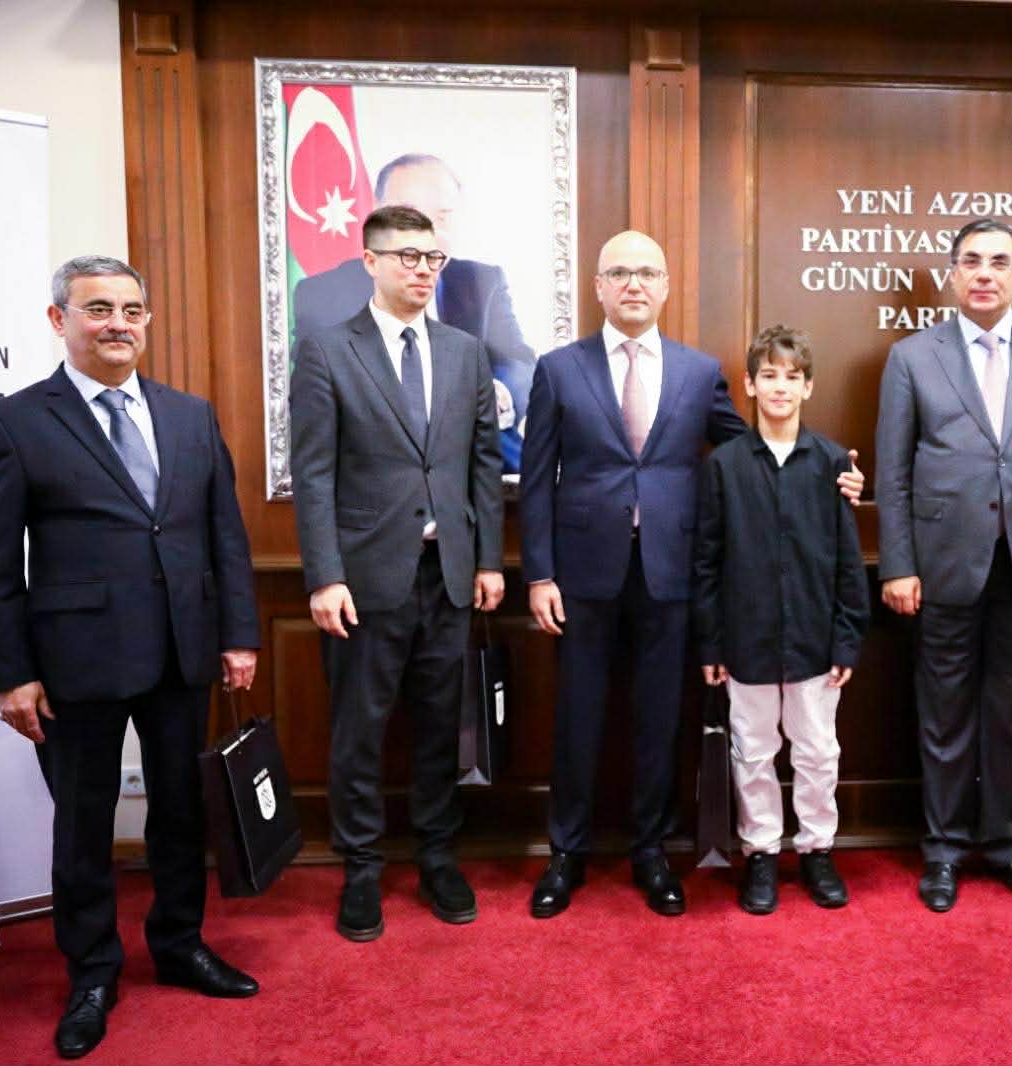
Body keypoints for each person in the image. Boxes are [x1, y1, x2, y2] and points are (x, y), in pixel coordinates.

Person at [0, 256, 261, 1059]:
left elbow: (225, 536)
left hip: (182, 651)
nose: (118, 323)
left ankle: (179, 944)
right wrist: (10, 675)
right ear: (59, 320)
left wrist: (238, 635)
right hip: (74, 665)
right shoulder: (14, 424)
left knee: (180, 812)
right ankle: (93, 973)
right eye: (98, 309)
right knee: (84, 827)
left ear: (147, 321)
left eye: (131, 309)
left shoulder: (190, 415)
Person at [520, 231, 863, 918]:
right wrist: (539, 574)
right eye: (620, 272)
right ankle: (567, 853)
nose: (634, 284)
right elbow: (535, 479)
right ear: (598, 286)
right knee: (578, 716)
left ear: (666, 286)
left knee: (658, 720)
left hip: (671, 570)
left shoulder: (697, 371)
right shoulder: (558, 369)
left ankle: (651, 852)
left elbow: (754, 448)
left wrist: (831, 470)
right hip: (582, 575)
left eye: (648, 272)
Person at [289, 204, 504, 942]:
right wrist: (324, 576)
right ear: (371, 261)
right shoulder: (327, 351)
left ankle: (438, 857)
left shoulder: (466, 352)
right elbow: (313, 474)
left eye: (432, 257)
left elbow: (482, 465)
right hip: (363, 580)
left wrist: (488, 560)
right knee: (360, 731)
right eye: (407, 256)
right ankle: (361, 868)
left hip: (448, 575)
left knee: (442, 727)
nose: (422, 270)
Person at [875, 218, 1012, 913]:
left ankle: (1004, 846)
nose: (985, 274)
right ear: (952, 274)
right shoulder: (912, 357)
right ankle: (943, 850)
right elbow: (893, 471)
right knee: (943, 715)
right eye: (971, 261)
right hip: (942, 564)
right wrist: (897, 564)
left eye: (999, 262)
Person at [693, 325, 870, 915]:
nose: (779, 387)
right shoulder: (724, 466)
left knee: (818, 751)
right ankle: (762, 852)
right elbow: (707, 561)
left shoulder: (831, 462)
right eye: (768, 375)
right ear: (749, 385)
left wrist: (847, 640)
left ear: (808, 387)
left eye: (792, 377)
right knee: (753, 751)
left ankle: (817, 849)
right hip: (746, 639)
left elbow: (848, 561)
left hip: (816, 640)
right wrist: (711, 643)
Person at [293, 152, 536, 471]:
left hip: (473, 470)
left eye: (442, 217)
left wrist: (496, 393)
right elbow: (313, 409)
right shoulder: (325, 295)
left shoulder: (482, 283)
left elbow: (519, 362)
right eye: (410, 216)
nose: (426, 234)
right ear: (376, 215)